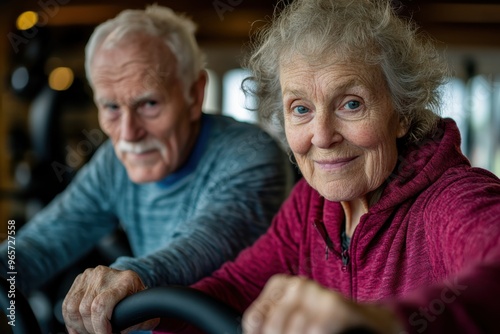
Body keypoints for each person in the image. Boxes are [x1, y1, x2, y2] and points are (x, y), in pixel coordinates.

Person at [63, 0, 500, 333]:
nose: (322, 136)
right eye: (301, 109)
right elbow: (234, 288)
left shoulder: (452, 198)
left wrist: (381, 322)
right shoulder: (309, 208)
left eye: (351, 104)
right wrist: (150, 309)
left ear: (401, 113)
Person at [0, 3, 292, 330]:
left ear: (195, 94)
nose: (127, 133)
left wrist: (135, 277)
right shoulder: (114, 161)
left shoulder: (250, 153)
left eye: (149, 104)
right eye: (111, 107)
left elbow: (205, 246)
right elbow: (42, 244)